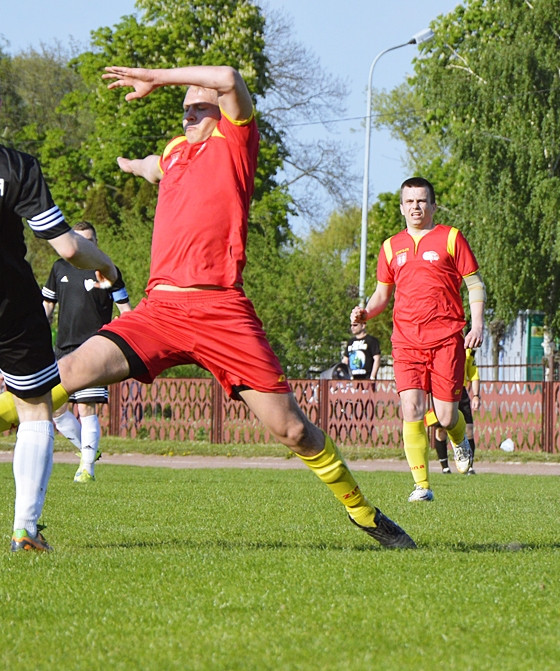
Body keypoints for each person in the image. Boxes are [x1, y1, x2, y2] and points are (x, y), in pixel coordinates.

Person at [0, 65, 414, 549]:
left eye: (199, 106)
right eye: (185, 110)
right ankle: (23, 504)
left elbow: (228, 76)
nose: (189, 115)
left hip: (222, 312)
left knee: (293, 430)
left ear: (222, 112)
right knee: (61, 374)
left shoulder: (237, 143)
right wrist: (133, 166)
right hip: (159, 313)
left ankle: (365, 514)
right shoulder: (177, 152)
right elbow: (159, 165)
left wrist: (158, 77)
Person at [2, 94, 120, 552]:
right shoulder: (16, 167)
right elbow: (68, 248)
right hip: (9, 304)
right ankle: (24, 531)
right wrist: (107, 264)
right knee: (34, 411)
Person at [352, 177, 485, 502]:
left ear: (433, 205)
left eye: (422, 201)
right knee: (410, 408)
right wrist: (365, 313)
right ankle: (422, 486)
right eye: (410, 202)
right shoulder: (389, 246)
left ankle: (459, 440)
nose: (416, 207)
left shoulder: (451, 238)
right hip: (407, 342)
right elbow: (383, 295)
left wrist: (478, 323)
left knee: (446, 416)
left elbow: (475, 284)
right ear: (401, 207)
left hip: (446, 340)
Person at [42, 221, 132, 484]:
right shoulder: (59, 268)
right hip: (63, 350)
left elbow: (126, 311)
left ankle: (86, 469)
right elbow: (47, 307)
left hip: (94, 349)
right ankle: (88, 451)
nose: (85, 245)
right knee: (54, 408)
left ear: (96, 243)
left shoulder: (108, 271)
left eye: (90, 241)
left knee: (86, 407)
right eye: (80, 240)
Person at [431, 346, 481, 474]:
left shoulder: (467, 352)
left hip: (461, 390)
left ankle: (469, 465)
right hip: (442, 389)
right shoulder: (438, 347)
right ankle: (445, 467)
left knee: (469, 429)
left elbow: (474, 374)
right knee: (440, 429)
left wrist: (476, 395)